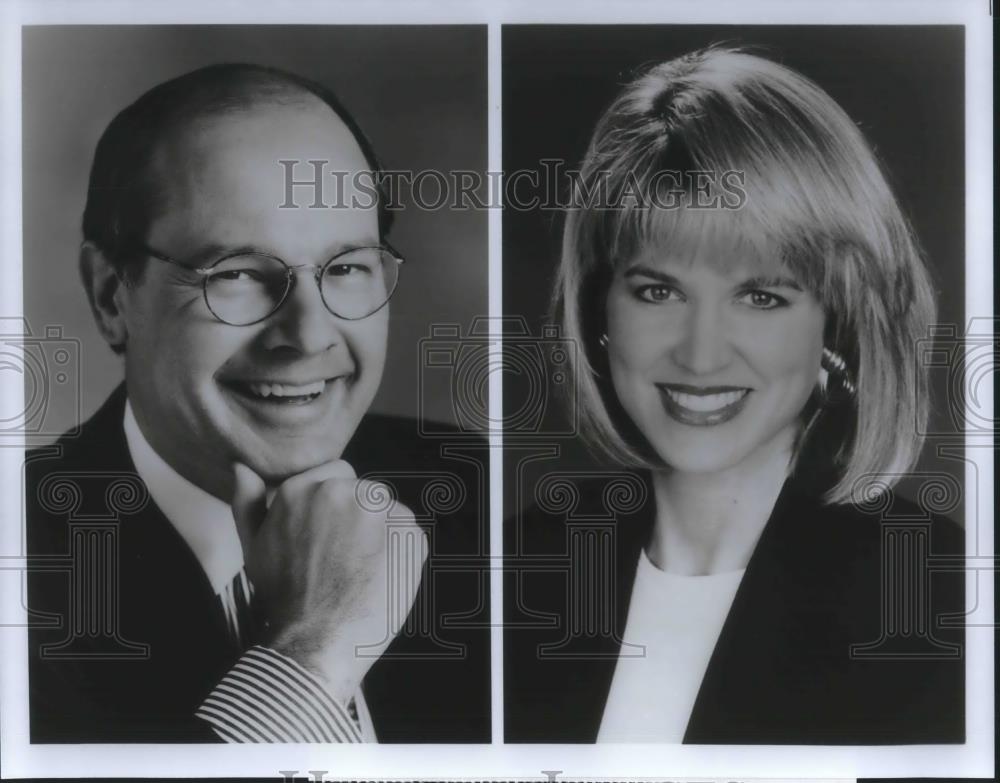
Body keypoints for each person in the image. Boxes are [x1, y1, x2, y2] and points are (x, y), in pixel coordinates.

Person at [505, 46, 964, 744]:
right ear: (601, 308)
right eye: (658, 290)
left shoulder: (939, 598)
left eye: (761, 295)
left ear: (834, 320)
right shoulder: (504, 574)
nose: (700, 353)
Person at [26, 63, 488, 743]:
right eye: (237, 273)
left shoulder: (491, 497)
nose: (306, 336)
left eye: (346, 268)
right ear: (111, 295)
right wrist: (312, 652)